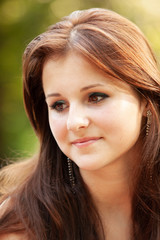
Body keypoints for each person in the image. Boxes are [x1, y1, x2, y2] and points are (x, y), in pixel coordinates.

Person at [0, 8, 160, 240]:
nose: (74, 122)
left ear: (145, 99)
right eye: (58, 105)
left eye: (95, 97)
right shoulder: (18, 227)